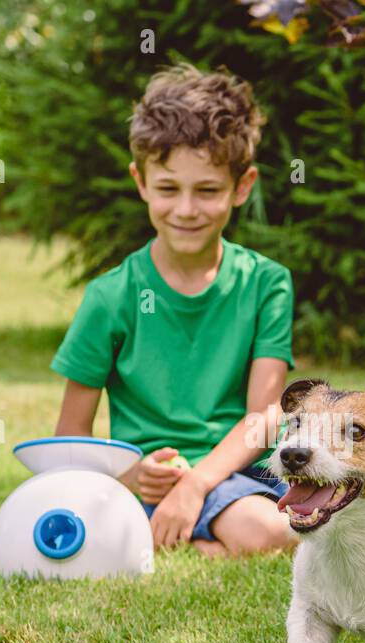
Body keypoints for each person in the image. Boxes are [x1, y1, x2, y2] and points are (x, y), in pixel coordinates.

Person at [51, 63, 296, 557]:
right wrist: (131, 473)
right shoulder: (110, 295)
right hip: (143, 482)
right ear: (141, 182)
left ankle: (159, 540)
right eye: (168, 189)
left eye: (207, 190)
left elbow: (264, 418)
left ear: (241, 186)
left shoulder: (267, 283)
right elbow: (70, 435)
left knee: (270, 530)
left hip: (234, 474)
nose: (186, 209)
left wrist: (197, 484)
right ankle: (163, 535)